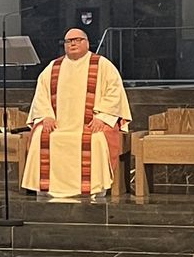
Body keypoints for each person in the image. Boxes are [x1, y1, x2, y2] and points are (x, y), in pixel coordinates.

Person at [21, 28, 131, 198]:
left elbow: (114, 93)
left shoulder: (102, 65)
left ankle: (95, 188)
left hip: (90, 124)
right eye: (68, 41)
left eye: (77, 39)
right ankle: (46, 190)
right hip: (58, 126)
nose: (72, 43)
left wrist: (102, 117)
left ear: (87, 42)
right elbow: (41, 95)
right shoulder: (53, 67)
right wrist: (46, 116)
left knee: (96, 140)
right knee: (39, 137)